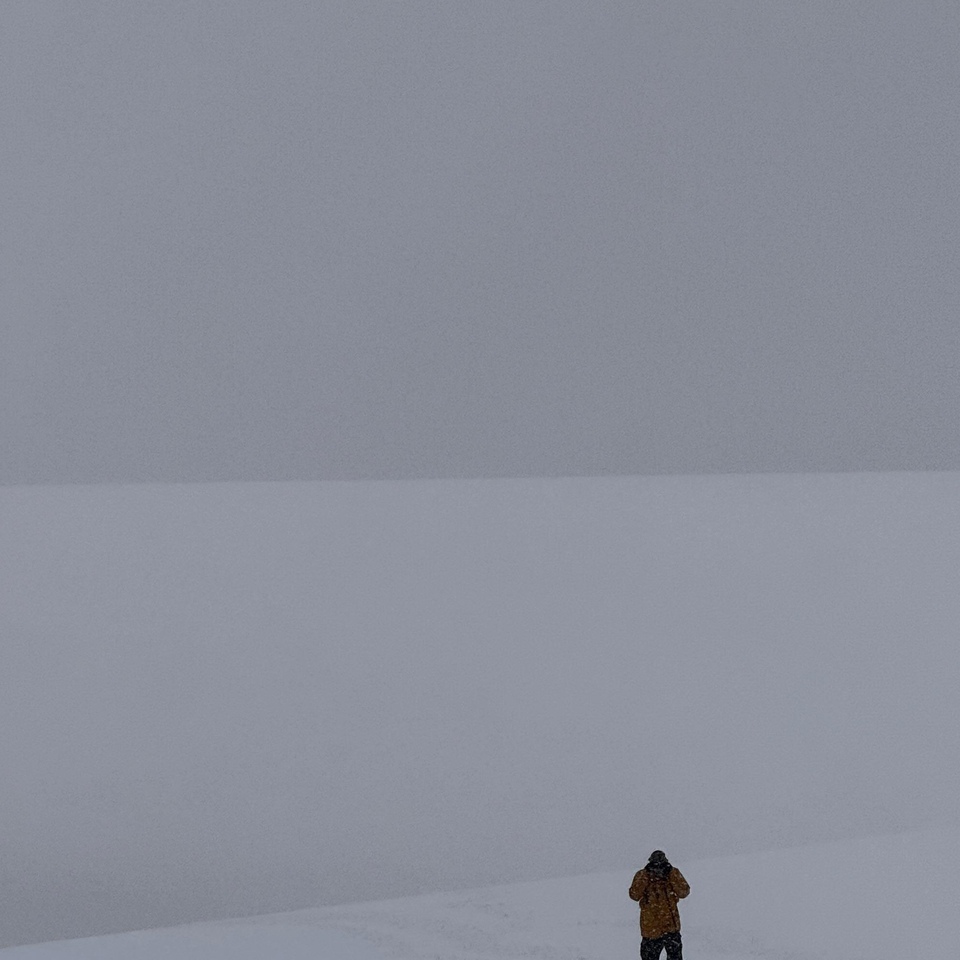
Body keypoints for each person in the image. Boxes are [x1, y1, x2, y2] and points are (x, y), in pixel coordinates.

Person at [628, 850, 690, 960]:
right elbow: (634, 895)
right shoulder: (645, 874)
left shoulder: (645, 874)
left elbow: (684, 892)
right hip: (665, 926)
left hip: (654, 927)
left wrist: (670, 873)